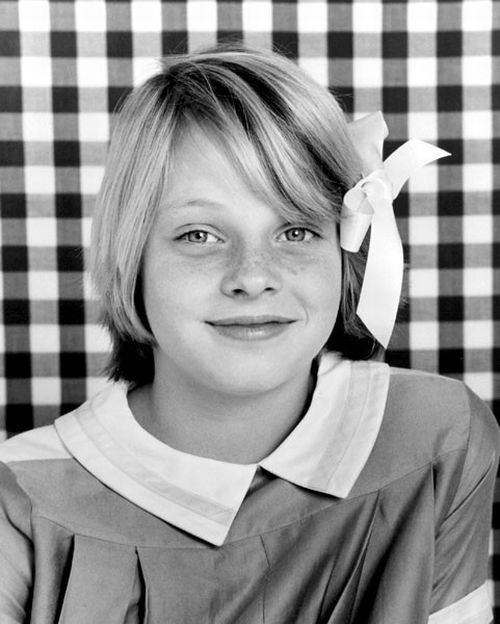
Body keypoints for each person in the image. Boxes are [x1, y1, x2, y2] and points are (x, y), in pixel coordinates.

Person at [0, 45, 497, 624]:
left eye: (295, 230)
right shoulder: (21, 497)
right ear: (133, 258)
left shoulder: (438, 436)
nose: (253, 277)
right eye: (199, 235)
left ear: (344, 250)